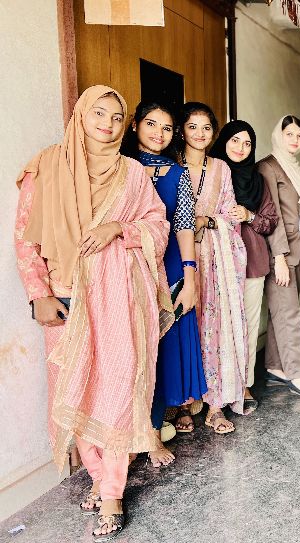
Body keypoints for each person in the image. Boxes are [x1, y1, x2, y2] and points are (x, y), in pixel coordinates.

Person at [14, 86, 173, 541]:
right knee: (77, 389)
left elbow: (158, 224)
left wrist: (118, 228)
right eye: (98, 113)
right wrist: (38, 293)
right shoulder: (47, 166)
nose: (107, 123)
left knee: (117, 389)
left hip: (119, 298)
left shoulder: (132, 173)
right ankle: (100, 476)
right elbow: (25, 237)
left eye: (117, 117)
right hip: (64, 297)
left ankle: (112, 492)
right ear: (80, 116)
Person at [121, 101, 207, 466]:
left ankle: (153, 433)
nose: (159, 133)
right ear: (135, 125)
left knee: (162, 351)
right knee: (129, 351)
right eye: (152, 124)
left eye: (167, 127)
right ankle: (125, 435)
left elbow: (184, 226)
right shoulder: (119, 165)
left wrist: (190, 276)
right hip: (124, 266)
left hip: (168, 268)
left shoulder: (178, 173)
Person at [179, 102, 248, 432]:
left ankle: (215, 405)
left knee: (214, 326)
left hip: (214, 259)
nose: (199, 133)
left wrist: (206, 220)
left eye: (206, 127)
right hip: (176, 255)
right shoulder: (169, 166)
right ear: (182, 130)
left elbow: (230, 215)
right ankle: (182, 403)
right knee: (182, 325)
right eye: (192, 126)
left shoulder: (221, 168)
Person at [209, 120, 279, 413]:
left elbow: (270, 221)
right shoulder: (211, 173)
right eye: (235, 141)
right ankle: (214, 388)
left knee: (247, 327)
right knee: (215, 326)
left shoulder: (258, 181)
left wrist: (249, 215)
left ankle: (244, 384)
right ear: (223, 141)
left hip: (252, 262)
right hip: (217, 263)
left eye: (247, 143)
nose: (241, 148)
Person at [257, 115, 300, 399]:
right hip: (279, 252)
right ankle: (297, 374)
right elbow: (270, 214)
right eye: (289, 134)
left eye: (299, 135)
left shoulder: (294, 167)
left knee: (281, 313)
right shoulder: (268, 167)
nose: (295, 140)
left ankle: (275, 366)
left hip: (297, 249)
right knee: (290, 314)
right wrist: (279, 257)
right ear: (278, 136)